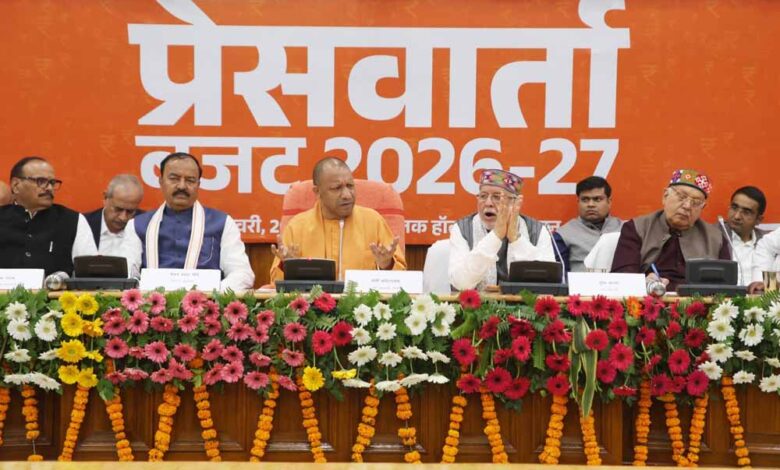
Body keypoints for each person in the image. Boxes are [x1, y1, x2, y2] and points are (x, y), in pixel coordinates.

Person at [124, 152, 254, 291]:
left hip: (207, 302)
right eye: (174, 179)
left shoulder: (222, 223)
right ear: (161, 181)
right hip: (149, 301)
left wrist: (211, 294)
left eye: (190, 180)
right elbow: (127, 274)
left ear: (198, 184)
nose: (182, 186)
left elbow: (243, 273)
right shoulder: (137, 225)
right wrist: (142, 294)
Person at [270, 157, 406, 281]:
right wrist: (288, 267)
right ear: (317, 192)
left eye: (350, 186)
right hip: (313, 300)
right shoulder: (297, 227)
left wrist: (386, 265)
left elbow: (402, 278)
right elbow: (275, 283)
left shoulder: (373, 221)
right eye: (336, 188)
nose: (347, 195)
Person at [611, 169, 731, 291]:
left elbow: (726, 285)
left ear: (702, 207)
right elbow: (622, 277)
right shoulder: (637, 228)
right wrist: (644, 282)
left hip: (696, 300)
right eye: (681, 197)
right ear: (665, 196)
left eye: (696, 202)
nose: (687, 206)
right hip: (649, 298)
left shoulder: (716, 238)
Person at [449, 169, 555, 291]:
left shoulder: (538, 230)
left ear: (514, 202)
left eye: (497, 197)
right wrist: (495, 236)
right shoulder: (462, 229)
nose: (488, 203)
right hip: (476, 302)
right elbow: (461, 284)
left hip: (523, 303)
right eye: (483, 196)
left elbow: (547, 282)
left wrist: (516, 239)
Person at [0, 156, 97, 276]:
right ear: (16, 185)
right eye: (41, 181)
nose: (49, 188)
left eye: (52, 182)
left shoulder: (73, 220)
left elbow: (90, 274)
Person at [554, 176, 622, 272]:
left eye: (597, 199)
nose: (591, 204)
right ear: (578, 202)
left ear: (609, 202)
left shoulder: (626, 229)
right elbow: (560, 274)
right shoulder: (563, 234)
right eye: (585, 200)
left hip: (619, 281)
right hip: (580, 281)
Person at [84, 174, 144, 256]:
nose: (123, 218)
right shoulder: (84, 224)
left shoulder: (147, 227)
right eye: (118, 209)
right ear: (105, 198)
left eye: (130, 211)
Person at [719, 186, 768, 286]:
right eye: (734, 207)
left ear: (758, 220)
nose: (737, 216)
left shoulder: (768, 241)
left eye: (746, 212)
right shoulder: (713, 235)